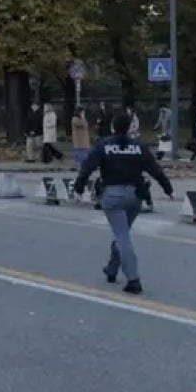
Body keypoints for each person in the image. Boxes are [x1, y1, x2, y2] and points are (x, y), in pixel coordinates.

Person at [74, 112, 174, 295]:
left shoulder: (103, 145)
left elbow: (87, 167)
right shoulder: (138, 147)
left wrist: (79, 187)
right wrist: (168, 188)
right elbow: (155, 169)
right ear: (129, 128)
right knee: (123, 232)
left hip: (112, 196)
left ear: (113, 127)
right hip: (135, 196)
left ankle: (133, 280)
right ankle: (112, 268)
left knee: (122, 236)